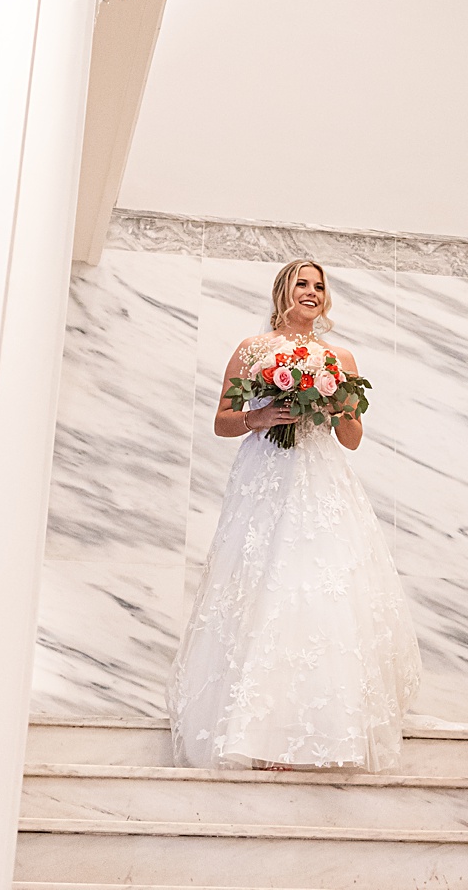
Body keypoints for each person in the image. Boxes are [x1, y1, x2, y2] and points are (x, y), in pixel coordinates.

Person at [167, 259, 421, 769]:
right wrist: (259, 416)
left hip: (321, 478)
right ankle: (253, 732)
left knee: (319, 587)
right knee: (263, 583)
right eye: (302, 284)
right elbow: (221, 421)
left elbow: (351, 440)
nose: (311, 293)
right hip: (264, 478)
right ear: (284, 290)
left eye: (319, 287)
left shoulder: (339, 358)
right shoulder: (253, 350)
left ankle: (326, 731)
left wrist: (333, 408)